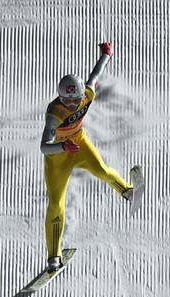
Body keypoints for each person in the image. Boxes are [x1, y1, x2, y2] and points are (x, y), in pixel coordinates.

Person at [40, 42, 134, 272]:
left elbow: (96, 73)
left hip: (79, 143)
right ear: (59, 97)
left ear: (82, 95)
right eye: (66, 101)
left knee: (101, 169)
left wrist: (106, 54)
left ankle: (126, 190)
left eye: (75, 101)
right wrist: (63, 147)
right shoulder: (54, 114)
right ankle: (54, 256)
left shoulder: (87, 94)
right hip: (58, 158)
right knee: (55, 205)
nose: (72, 106)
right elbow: (44, 147)